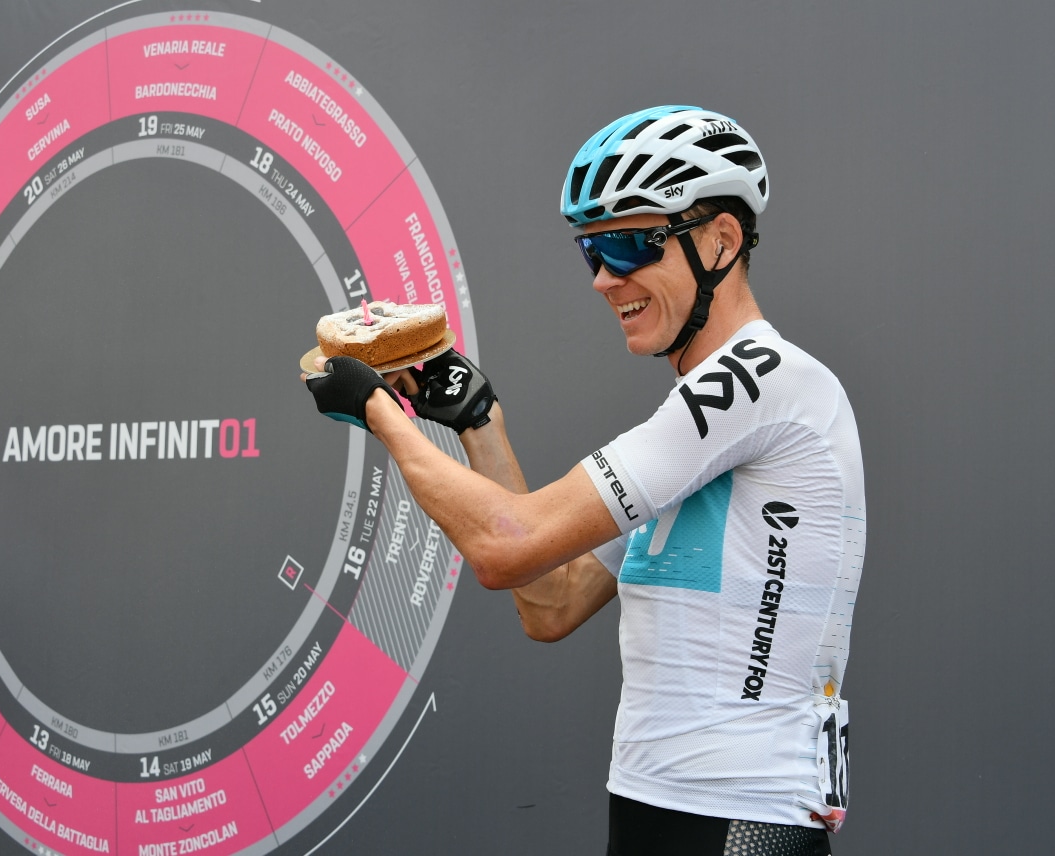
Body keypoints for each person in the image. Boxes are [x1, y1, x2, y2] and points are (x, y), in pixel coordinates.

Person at [305, 105, 865, 856]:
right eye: (591, 252)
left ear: (722, 241)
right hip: (654, 804)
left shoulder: (763, 382)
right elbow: (551, 600)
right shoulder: (707, 424)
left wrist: (378, 406)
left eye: (630, 245)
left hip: (741, 819)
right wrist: (478, 422)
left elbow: (505, 547)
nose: (605, 279)